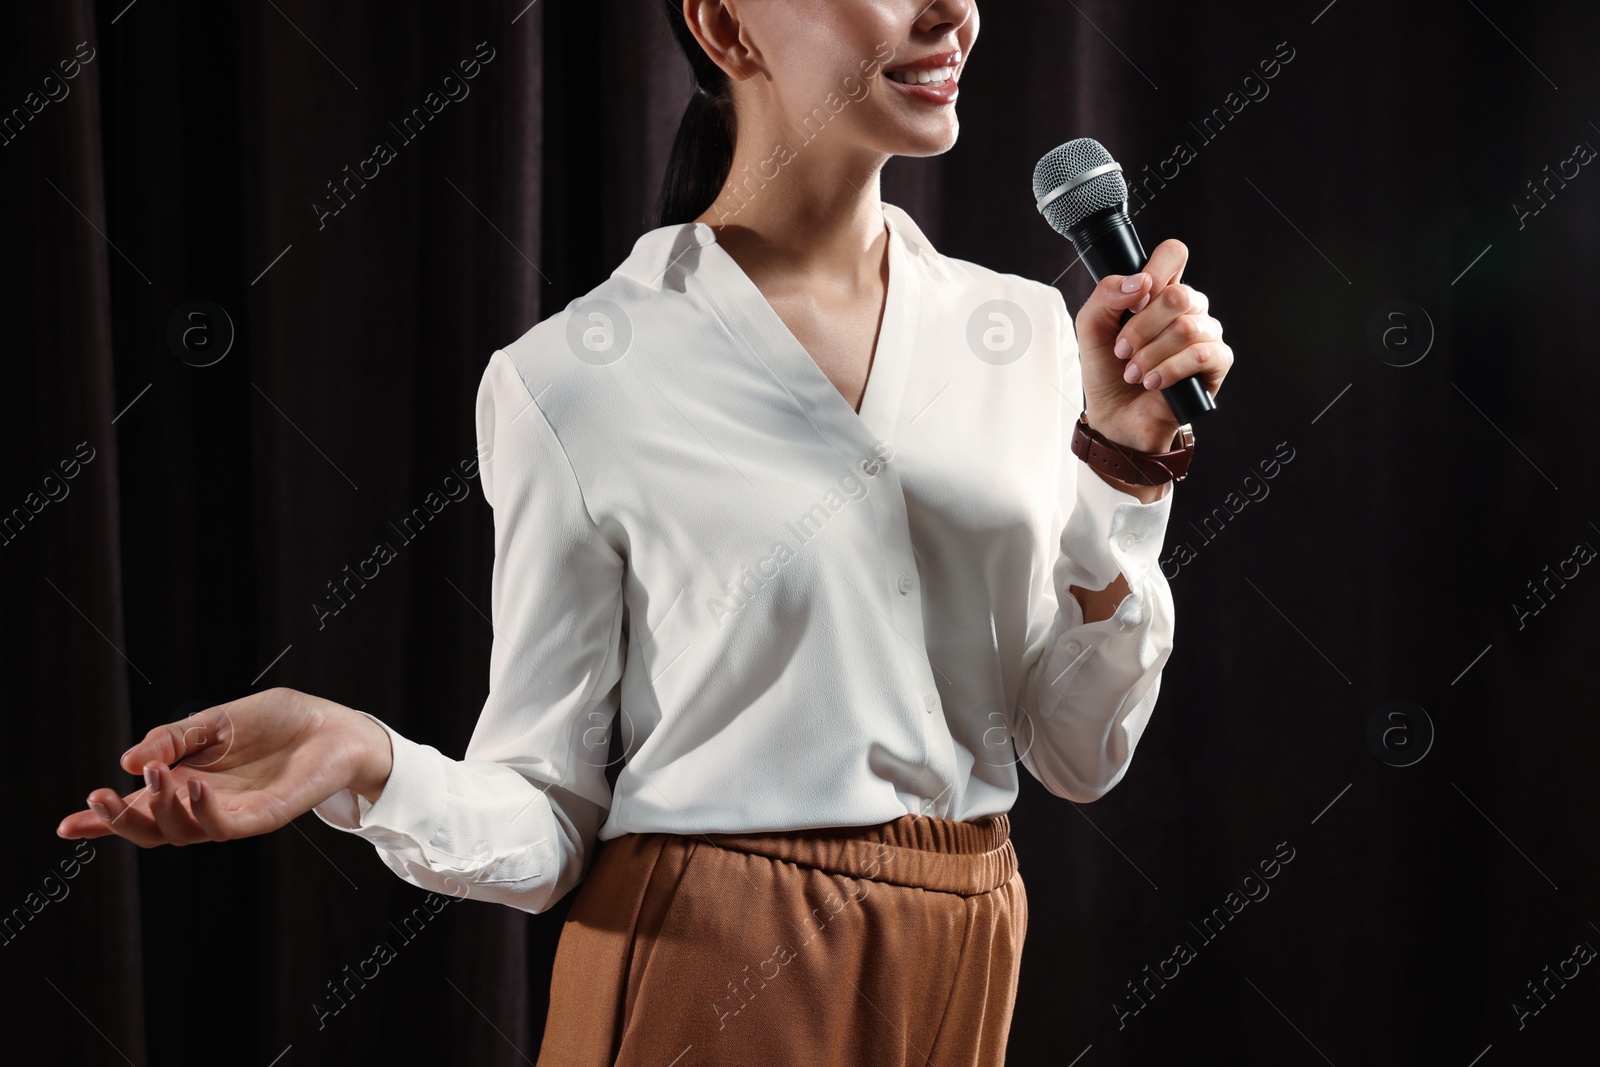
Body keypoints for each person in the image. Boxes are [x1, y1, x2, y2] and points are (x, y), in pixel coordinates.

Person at [56, 1, 1233, 1063]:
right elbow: (550, 819)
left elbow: (1078, 753)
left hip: (968, 951)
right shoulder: (571, 378)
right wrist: (365, 760)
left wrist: (1126, 467)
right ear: (725, 27)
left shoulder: (1029, 336)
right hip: (708, 969)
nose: (952, 14)